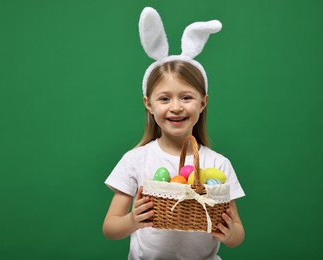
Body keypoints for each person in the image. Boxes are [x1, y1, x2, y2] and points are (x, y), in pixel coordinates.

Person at [103, 7, 245, 260]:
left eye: (187, 97)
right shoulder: (136, 159)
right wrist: (133, 220)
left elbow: (238, 234)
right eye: (165, 98)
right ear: (149, 104)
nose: (176, 107)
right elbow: (110, 229)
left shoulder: (218, 163)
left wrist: (227, 233)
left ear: (202, 103)